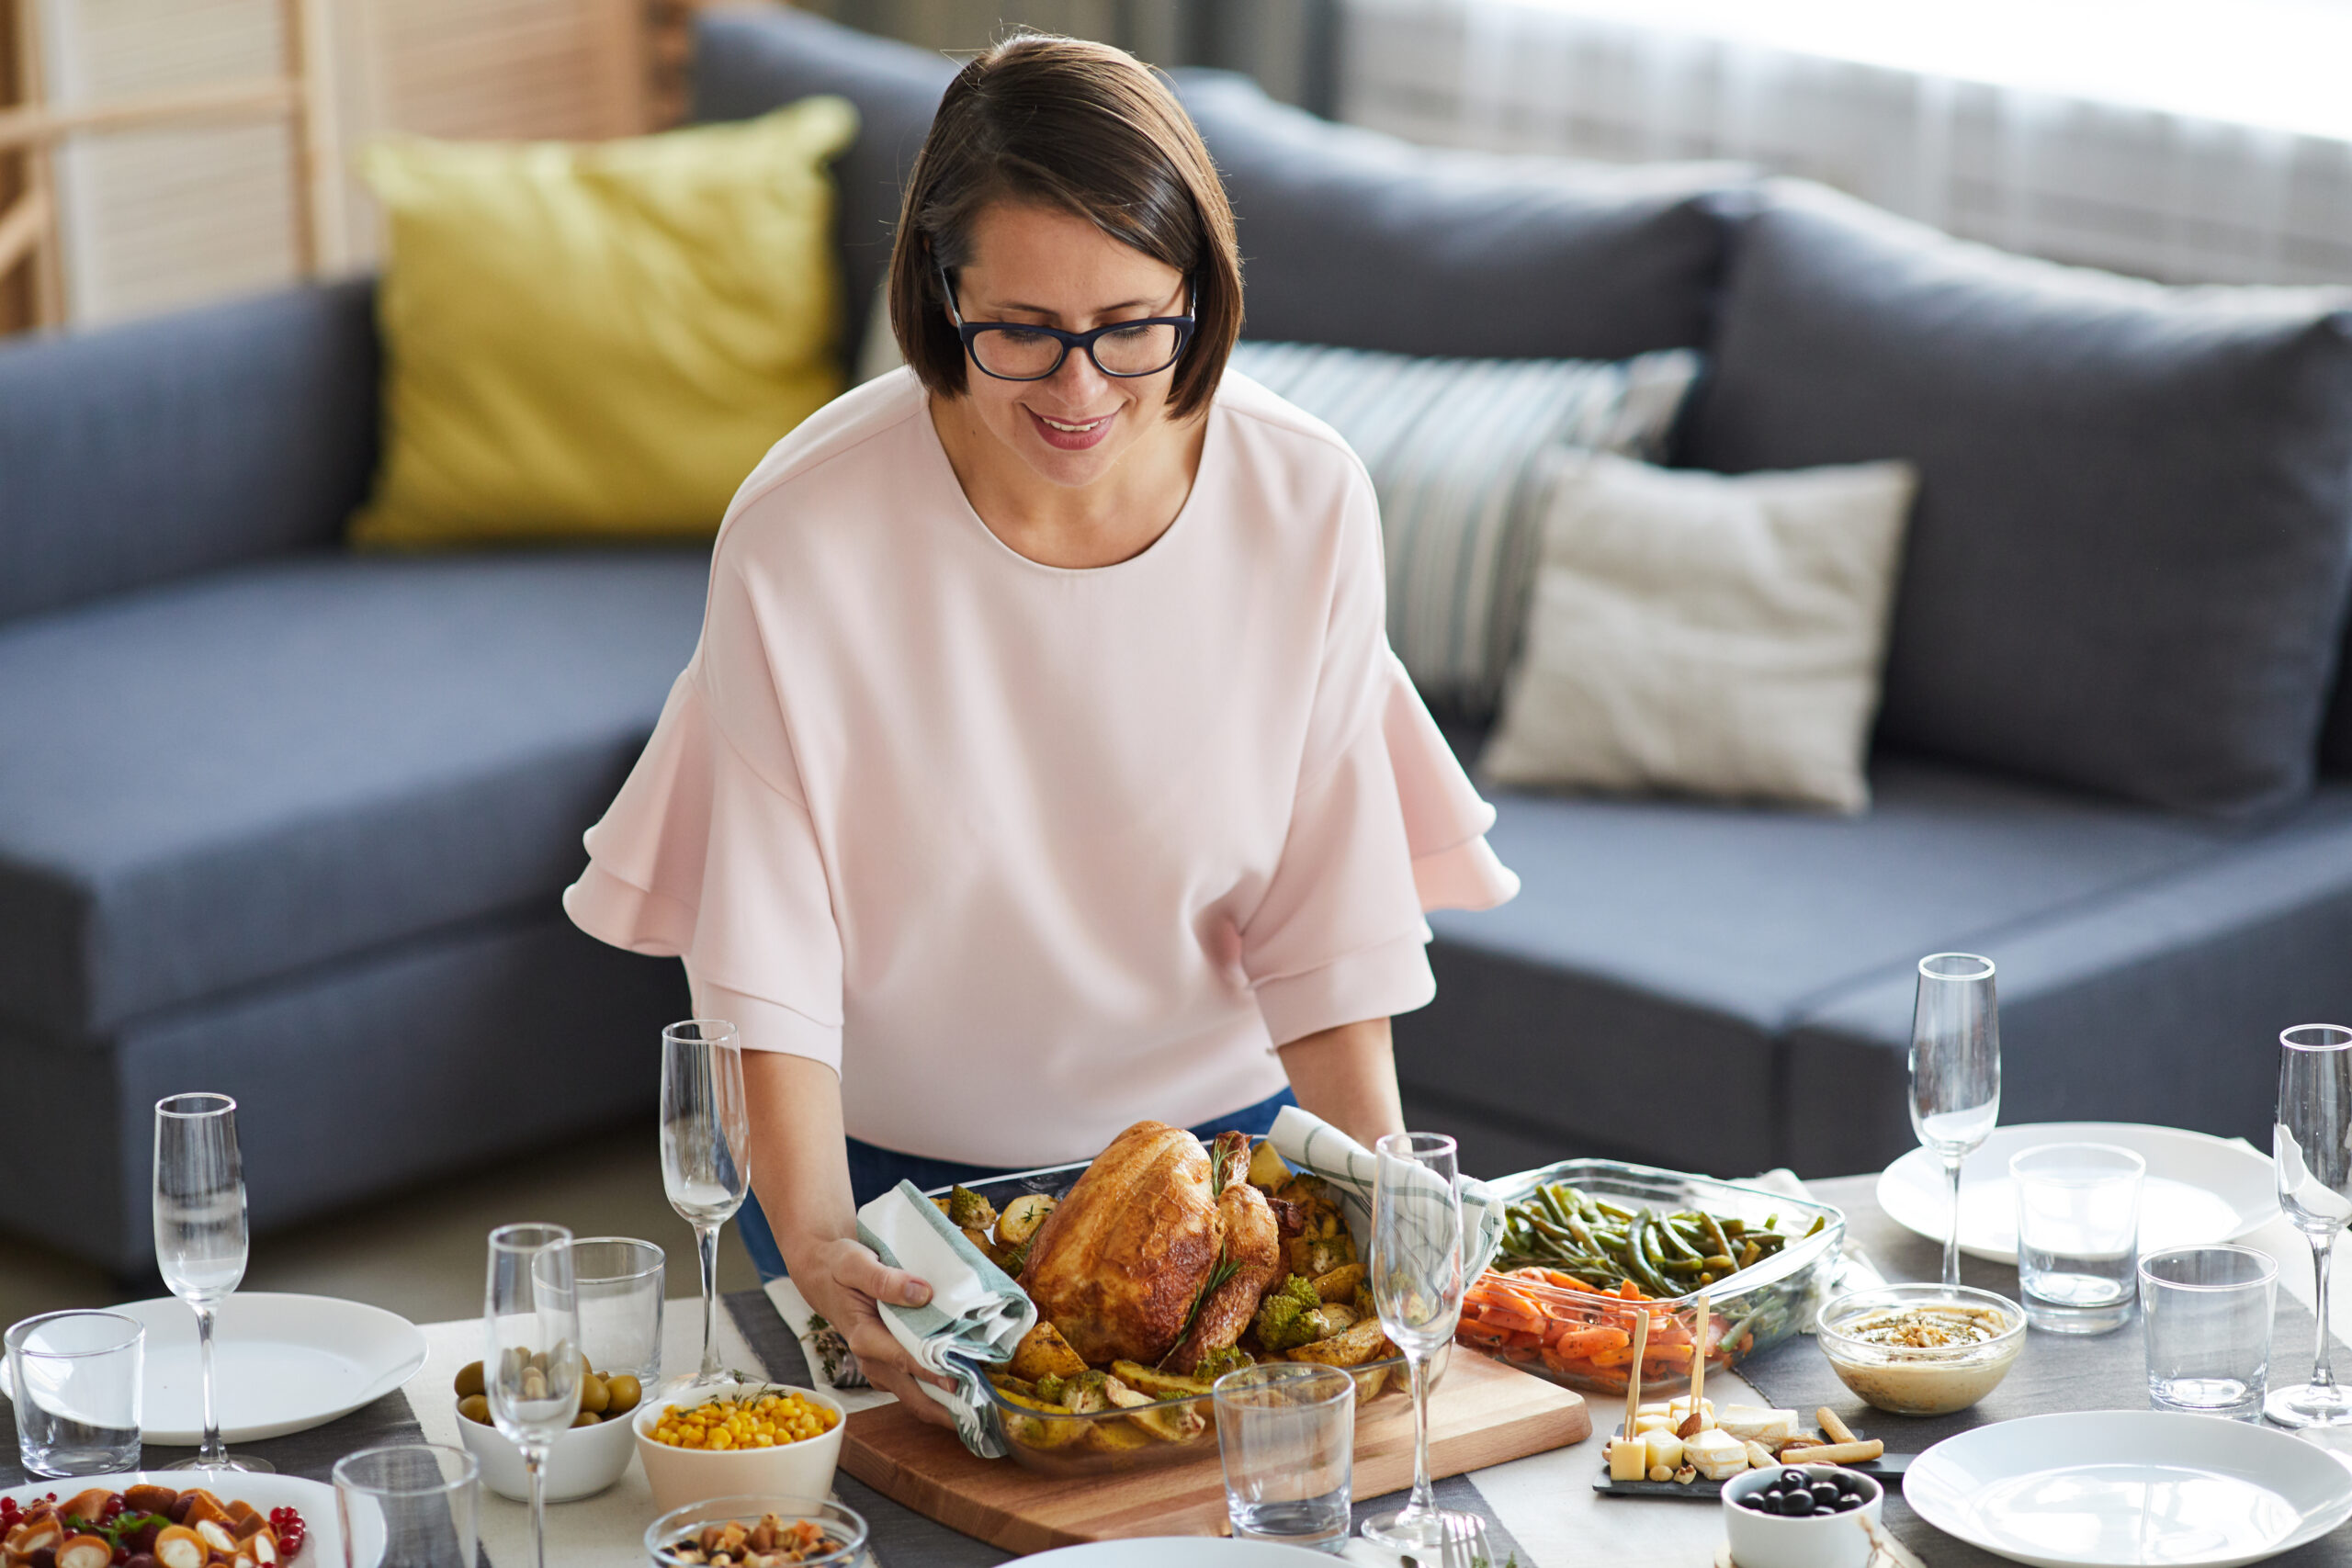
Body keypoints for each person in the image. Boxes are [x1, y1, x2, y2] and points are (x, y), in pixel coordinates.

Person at [564, 33, 1517, 1420]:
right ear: (942, 299)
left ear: (1203, 296)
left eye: (1133, 326)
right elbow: (768, 943)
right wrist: (818, 1231)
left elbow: (1324, 909)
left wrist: (1390, 1199)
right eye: (1021, 332)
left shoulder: (1307, 499)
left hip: (1217, 1184)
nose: (1080, 392)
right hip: (882, 1186)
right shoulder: (803, 529)